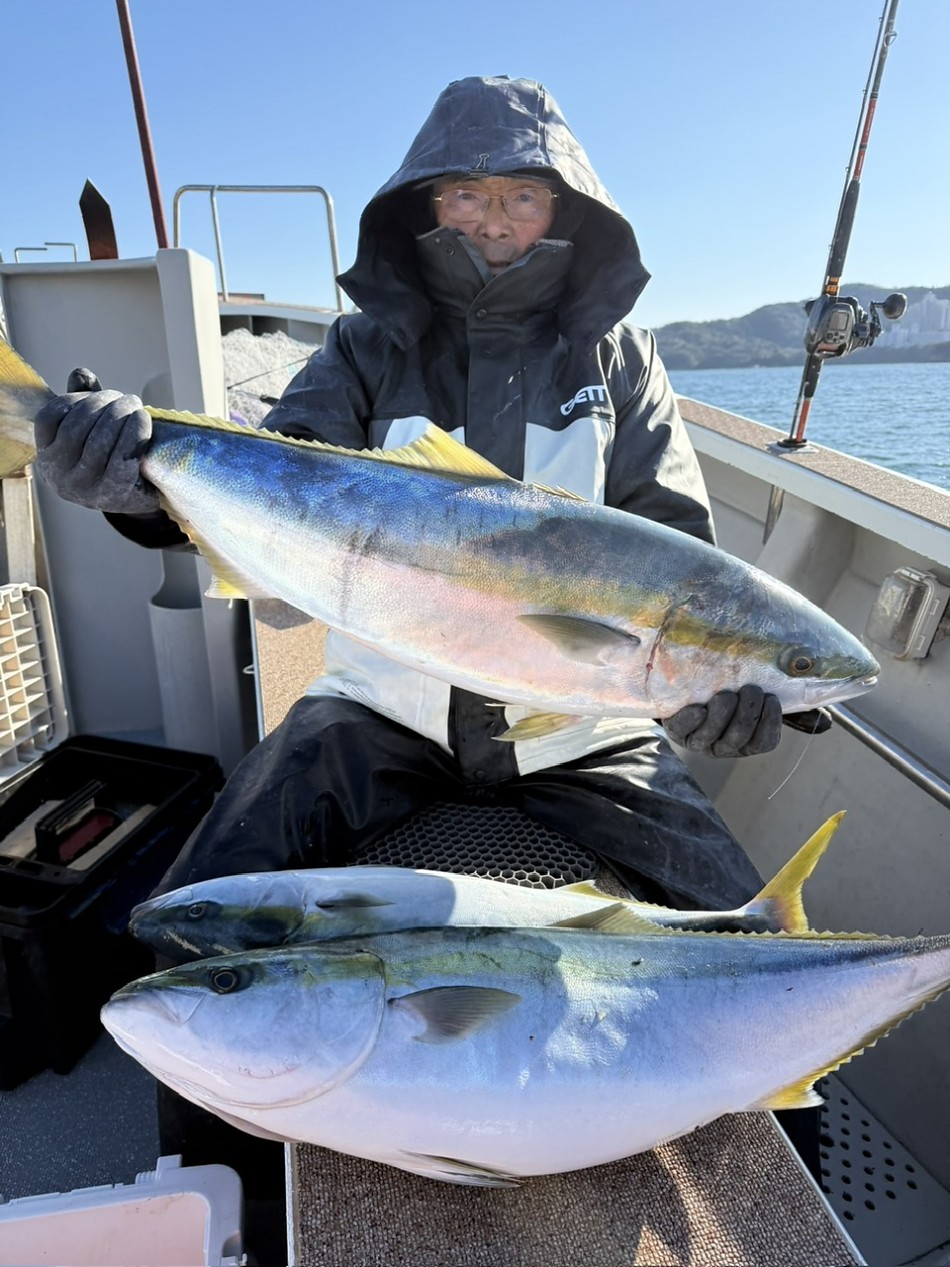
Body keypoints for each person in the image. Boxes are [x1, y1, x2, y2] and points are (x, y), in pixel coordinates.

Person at [34, 75, 790, 912]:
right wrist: (136, 491)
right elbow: (276, 483)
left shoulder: (622, 360)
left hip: (586, 733)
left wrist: (696, 692)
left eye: (524, 196)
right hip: (374, 711)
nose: (494, 220)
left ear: (566, 211)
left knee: (750, 932)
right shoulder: (364, 347)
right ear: (426, 204)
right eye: (467, 193)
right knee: (196, 913)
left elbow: (678, 554)